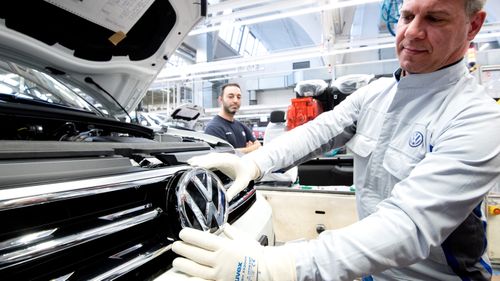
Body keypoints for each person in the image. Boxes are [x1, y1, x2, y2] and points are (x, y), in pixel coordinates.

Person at [172, 0, 500, 280]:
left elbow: (409, 225)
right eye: (407, 16)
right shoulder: (376, 94)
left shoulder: (476, 117)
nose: (413, 31)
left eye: (435, 17)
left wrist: (275, 267)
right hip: (371, 268)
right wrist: (255, 162)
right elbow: (318, 131)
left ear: (473, 26)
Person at [204, 83, 261, 154]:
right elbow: (226, 156)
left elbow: (258, 146)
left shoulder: (241, 126)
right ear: (221, 99)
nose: (235, 100)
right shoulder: (213, 128)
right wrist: (249, 149)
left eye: (239, 97)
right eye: (231, 96)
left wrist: (239, 151)